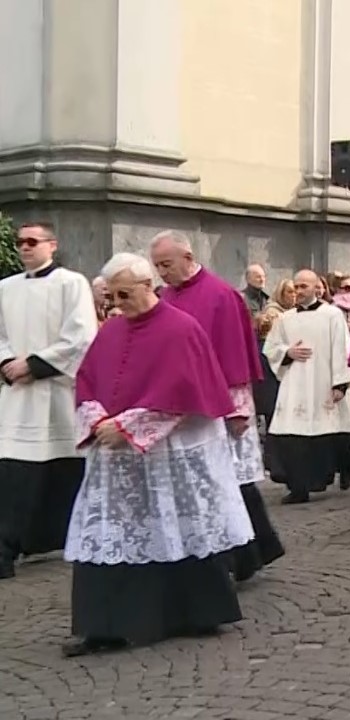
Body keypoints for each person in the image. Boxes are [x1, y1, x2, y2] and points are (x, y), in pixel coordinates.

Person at [64, 252, 254, 656]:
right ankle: (106, 626)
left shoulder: (182, 329)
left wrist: (129, 426)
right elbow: (87, 380)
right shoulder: (111, 331)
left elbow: (183, 389)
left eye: (124, 294)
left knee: (175, 527)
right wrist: (98, 421)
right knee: (112, 532)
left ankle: (190, 614)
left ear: (148, 286)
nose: (117, 304)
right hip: (117, 455)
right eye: (111, 296)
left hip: (172, 453)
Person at [151, 231, 284, 582]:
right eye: (157, 266)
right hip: (183, 408)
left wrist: (238, 410)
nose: (162, 273)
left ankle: (248, 553)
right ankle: (246, 554)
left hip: (221, 407)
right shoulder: (164, 296)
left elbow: (235, 353)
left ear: (187, 255)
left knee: (229, 482)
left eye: (166, 264)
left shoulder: (221, 296)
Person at [0, 221, 97, 580]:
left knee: (60, 468)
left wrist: (34, 364)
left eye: (31, 241)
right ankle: (7, 547)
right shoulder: (5, 287)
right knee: (13, 471)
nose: (24, 248)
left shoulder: (71, 283)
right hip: (17, 394)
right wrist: (8, 363)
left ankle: (56, 538)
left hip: (56, 391)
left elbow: (81, 336)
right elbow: (0, 334)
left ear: (52, 245)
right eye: (19, 242)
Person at [263, 269, 350, 504]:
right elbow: (271, 348)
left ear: (317, 288)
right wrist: (287, 352)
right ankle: (298, 488)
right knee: (291, 436)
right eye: (296, 286)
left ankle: (345, 466)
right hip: (295, 384)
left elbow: (342, 348)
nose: (298, 290)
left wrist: (340, 383)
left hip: (324, 382)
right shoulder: (285, 319)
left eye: (304, 286)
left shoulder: (332, 315)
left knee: (332, 435)